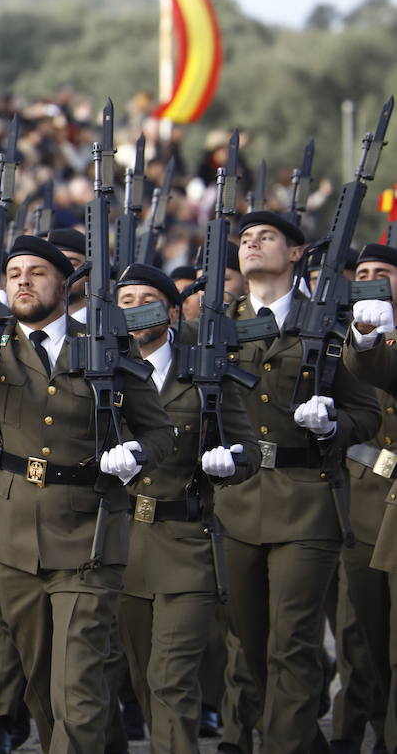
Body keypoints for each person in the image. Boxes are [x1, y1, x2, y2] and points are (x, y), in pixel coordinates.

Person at [0, 234, 176, 752]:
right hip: (10, 534)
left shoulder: (106, 347)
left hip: (86, 534)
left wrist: (137, 456)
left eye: (36, 272)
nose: (23, 282)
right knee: (41, 682)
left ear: (65, 283)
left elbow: (161, 432)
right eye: (14, 274)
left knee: (76, 688)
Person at [218, 212, 380, 754]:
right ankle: (298, 738)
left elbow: (368, 414)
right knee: (250, 643)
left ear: (295, 253)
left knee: (293, 642)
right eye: (245, 239)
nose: (252, 244)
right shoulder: (215, 326)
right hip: (235, 498)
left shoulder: (330, 326)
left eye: (266, 237)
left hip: (305, 497)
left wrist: (334, 424)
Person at [112, 263, 259, 753]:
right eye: (124, 301)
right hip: (120, 540)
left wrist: (230, 462)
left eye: (146, 300)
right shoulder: (101, 370)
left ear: (173, 311)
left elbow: (248, 450)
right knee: (140, 674)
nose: (134, 311)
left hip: (185, 540)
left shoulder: (204, 371)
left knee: (172, 677)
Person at [339, 244, 397, 754]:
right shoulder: (345, 335)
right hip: (363, 491)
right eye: (364, 273)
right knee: (362, 627)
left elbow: (383, 369)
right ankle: (368, 723)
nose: (373, 280)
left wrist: (371, 340)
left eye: (384, 273)